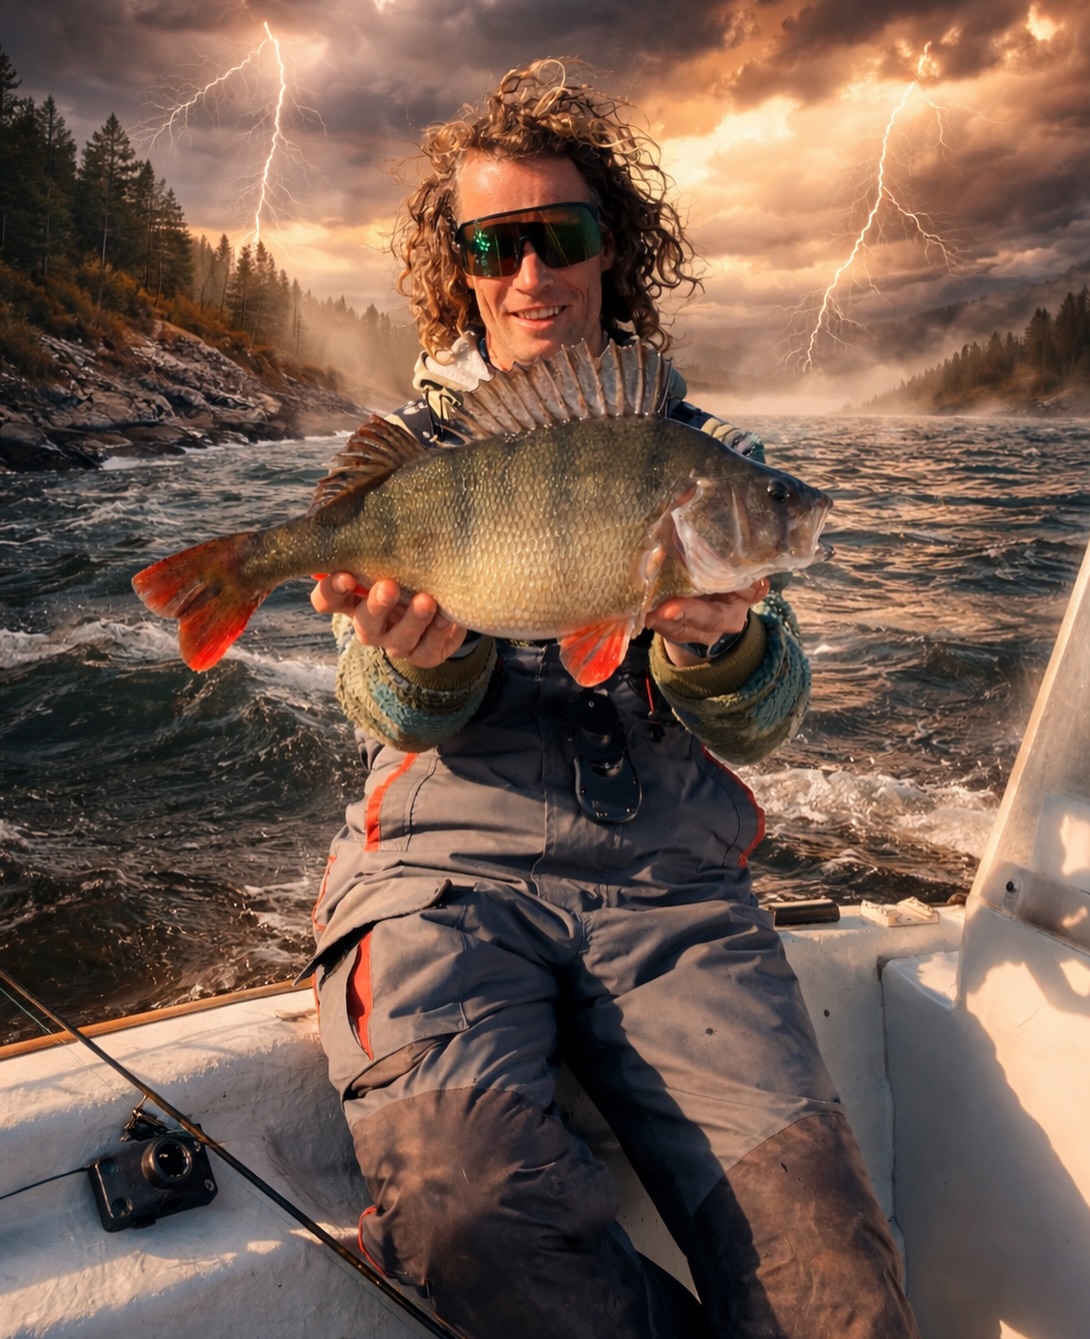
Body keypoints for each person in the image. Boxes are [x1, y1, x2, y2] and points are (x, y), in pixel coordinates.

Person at [308, 58, 920, 1339]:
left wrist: (716, 653)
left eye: (563, 234)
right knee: (466, 1215)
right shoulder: (415, 463)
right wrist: (426, 661)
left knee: (838, 1288)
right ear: (461, 266)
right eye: (497, 242)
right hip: (446, 882)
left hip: (673, 893)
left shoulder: (704, 467)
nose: (532, 272)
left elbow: (766, 713)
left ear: (610, 250)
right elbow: (385, 708)